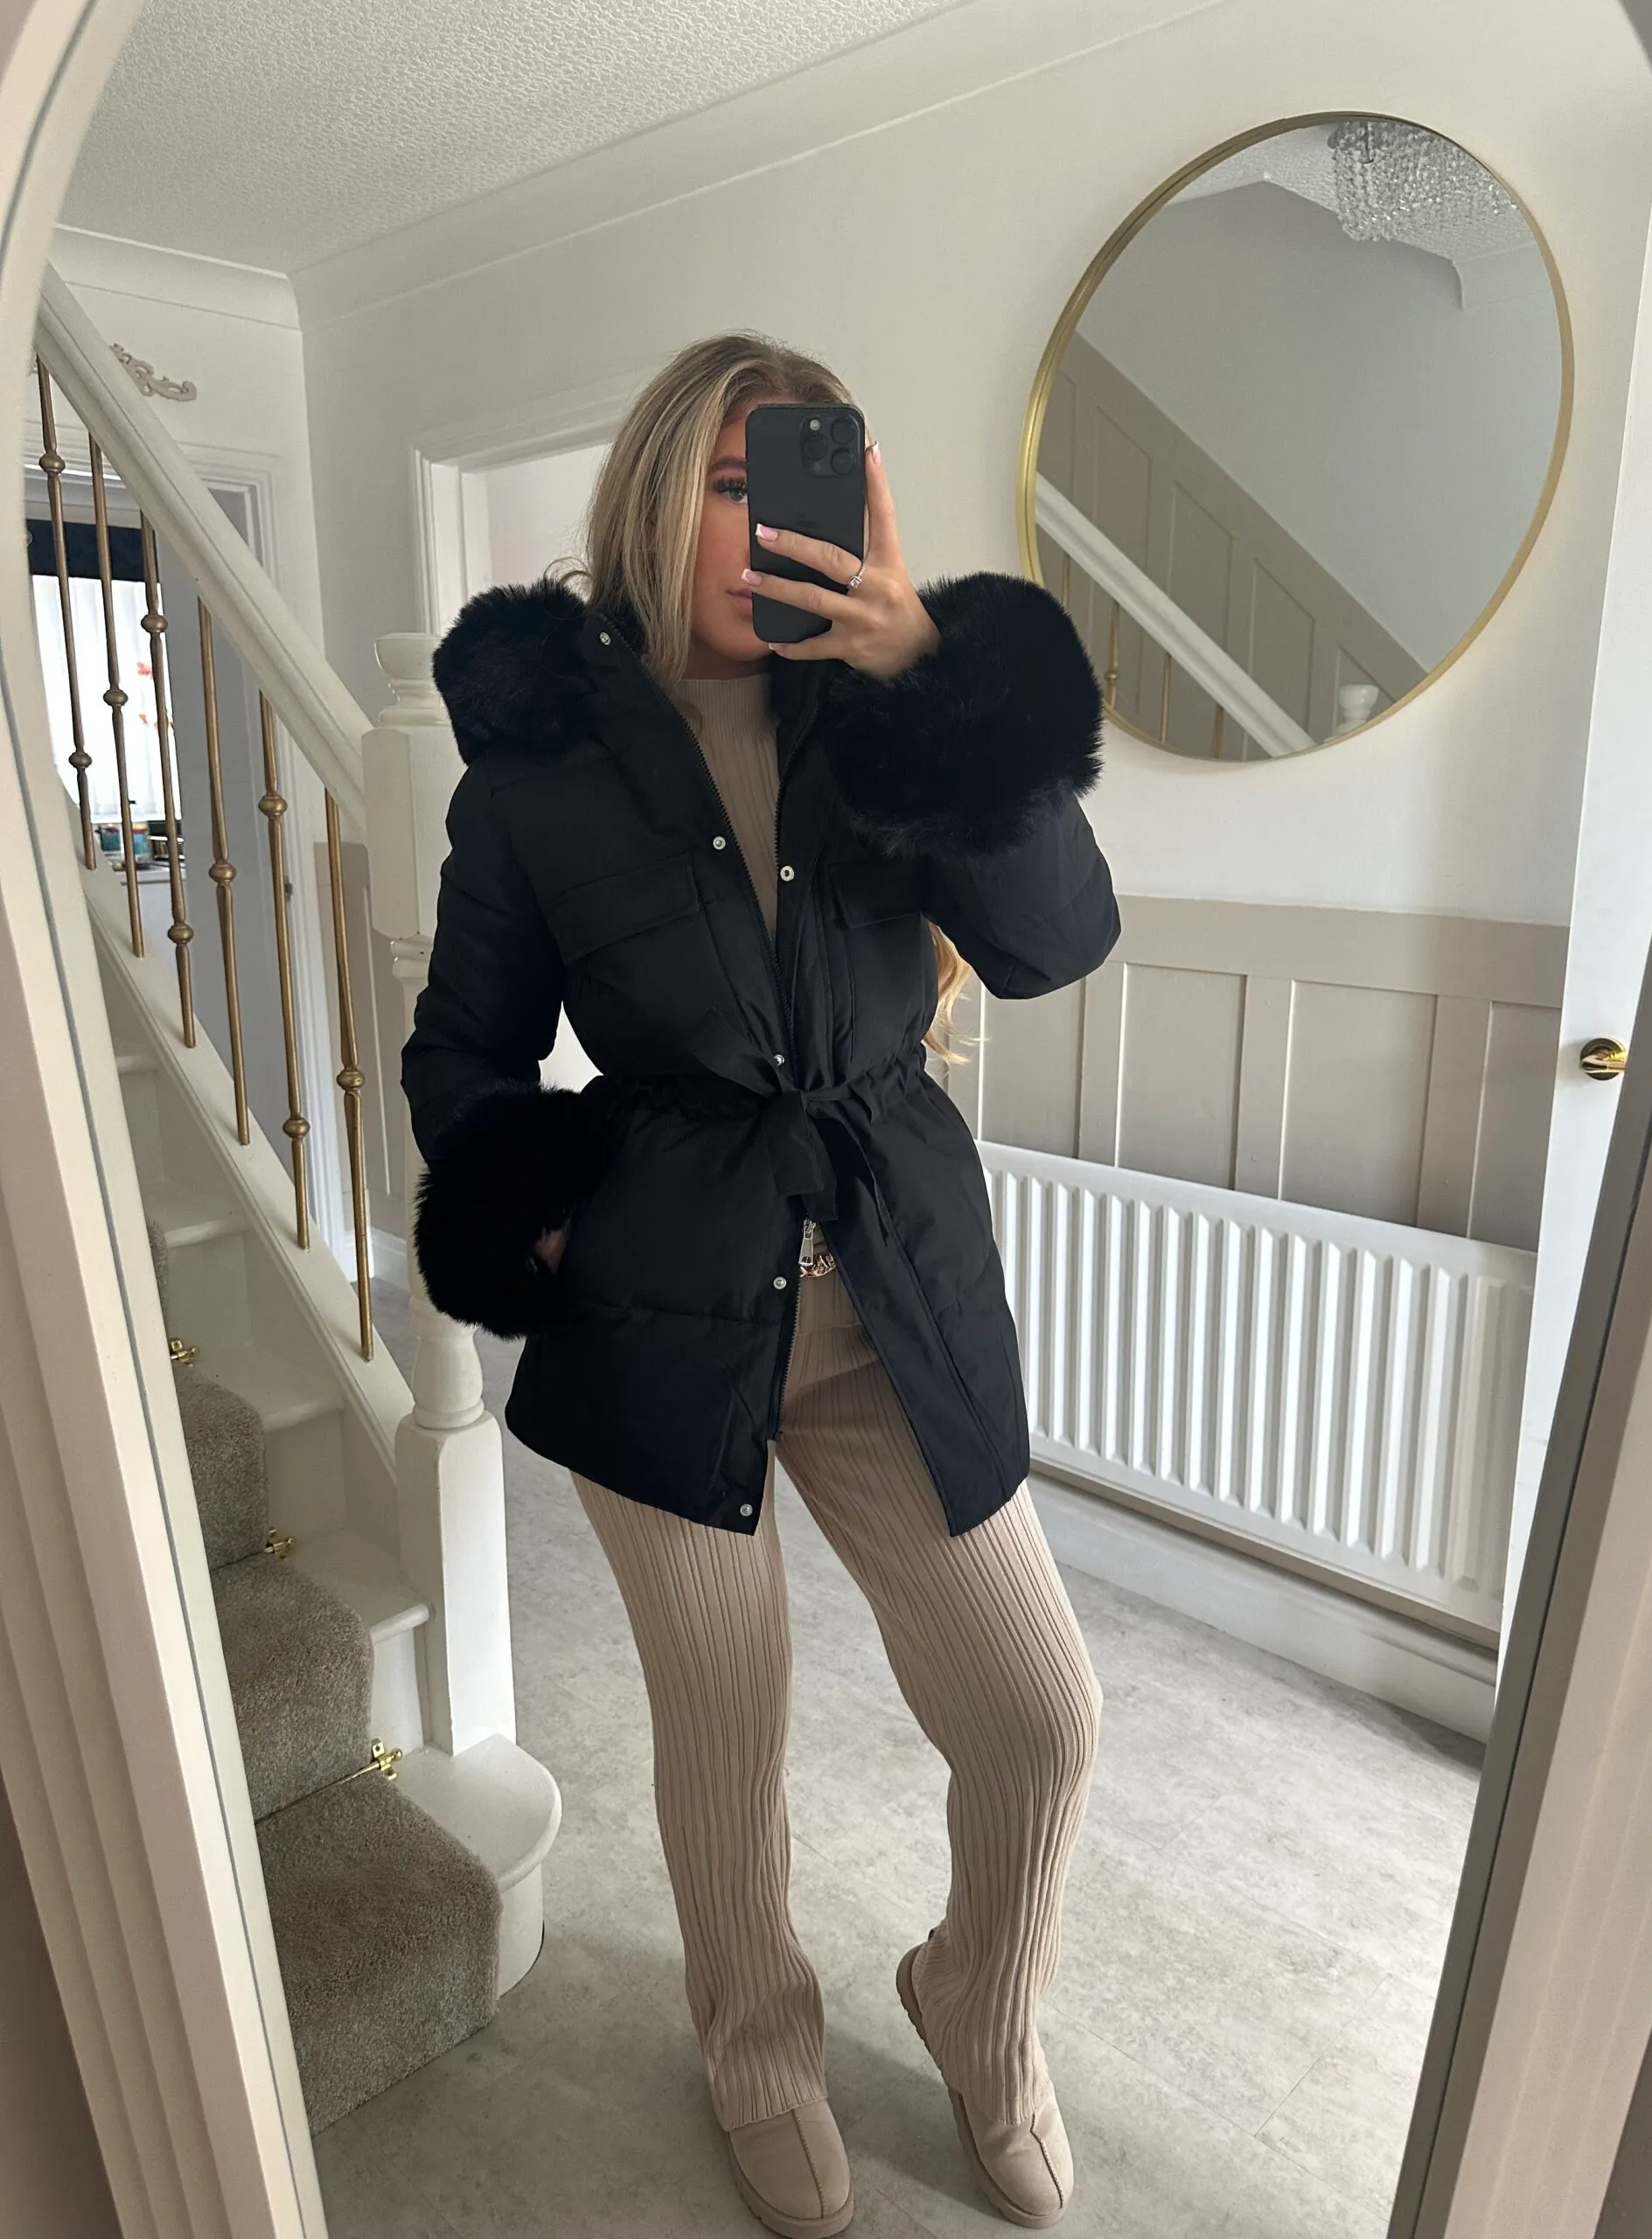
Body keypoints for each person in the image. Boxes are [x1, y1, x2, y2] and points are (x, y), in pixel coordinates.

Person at [401, 332, 1120, 2236]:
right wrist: (532, 1209)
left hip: (893, 1291)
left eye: (803, 478)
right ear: (659, 494)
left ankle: (979, 2009)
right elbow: (463, 1046)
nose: (768, 523)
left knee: (1041, 1716)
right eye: (734, 483)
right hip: (659, 1310)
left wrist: (933, 685)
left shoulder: (886, 721)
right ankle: (756, 2047)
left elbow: (1056, 940)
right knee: (728, 1738)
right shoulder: (537, 771)